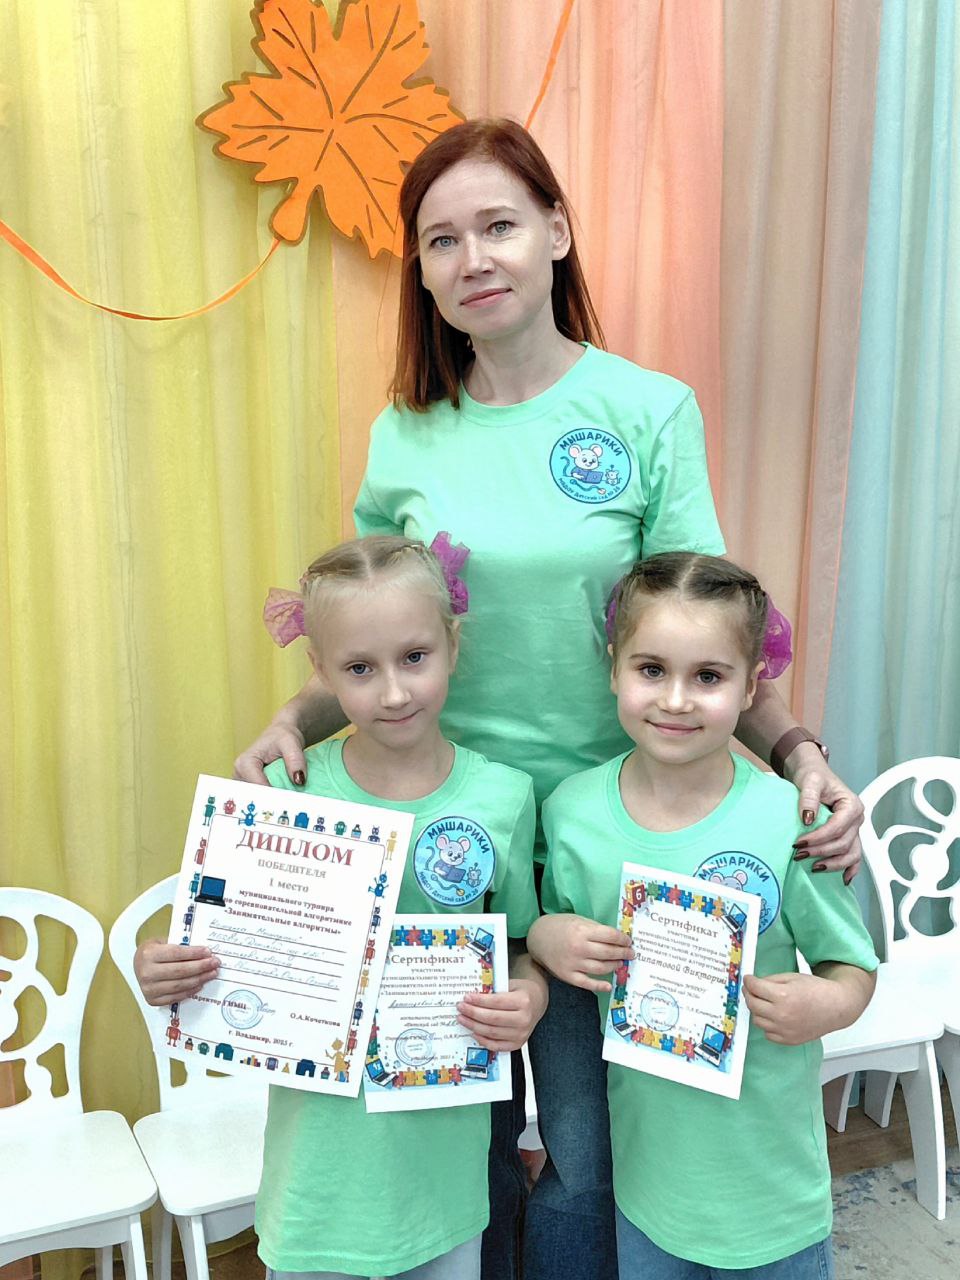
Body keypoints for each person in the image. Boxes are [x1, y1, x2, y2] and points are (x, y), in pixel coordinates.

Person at [232, 119, 867, 1280]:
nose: (473, 257)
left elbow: (707, 628)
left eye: (500, 225)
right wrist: (290, 720)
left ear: (558, 231)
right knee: (451, 1141)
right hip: (445, 845)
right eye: (442, 239)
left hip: (608, 850)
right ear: (420, 270)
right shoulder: (404, 431)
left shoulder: (648, 410)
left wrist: (798, 752)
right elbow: (375, 632)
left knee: (586, 1147)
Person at [134, 535, 547, 1280]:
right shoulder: (282, 794)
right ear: (321, 672)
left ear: (453, 647)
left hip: (443, 1187)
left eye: (414, 657)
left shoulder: (505, 796)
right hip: (317, 1184)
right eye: (360, 668)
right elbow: (215, 939)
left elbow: (517, 944)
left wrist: (530, 995)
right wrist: (163, 967)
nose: (394, 693)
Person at [529, 552, 878, 1278]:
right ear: (613, 667)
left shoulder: (791, 820)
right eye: (651, 669)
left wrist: (829, 1002)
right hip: (648, 1188)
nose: (676, 700)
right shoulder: (571, 813)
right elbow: (552, 924)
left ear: (751, 686)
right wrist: (546, 935)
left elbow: (853, 966)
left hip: (773, 1190)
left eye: (709, 677)